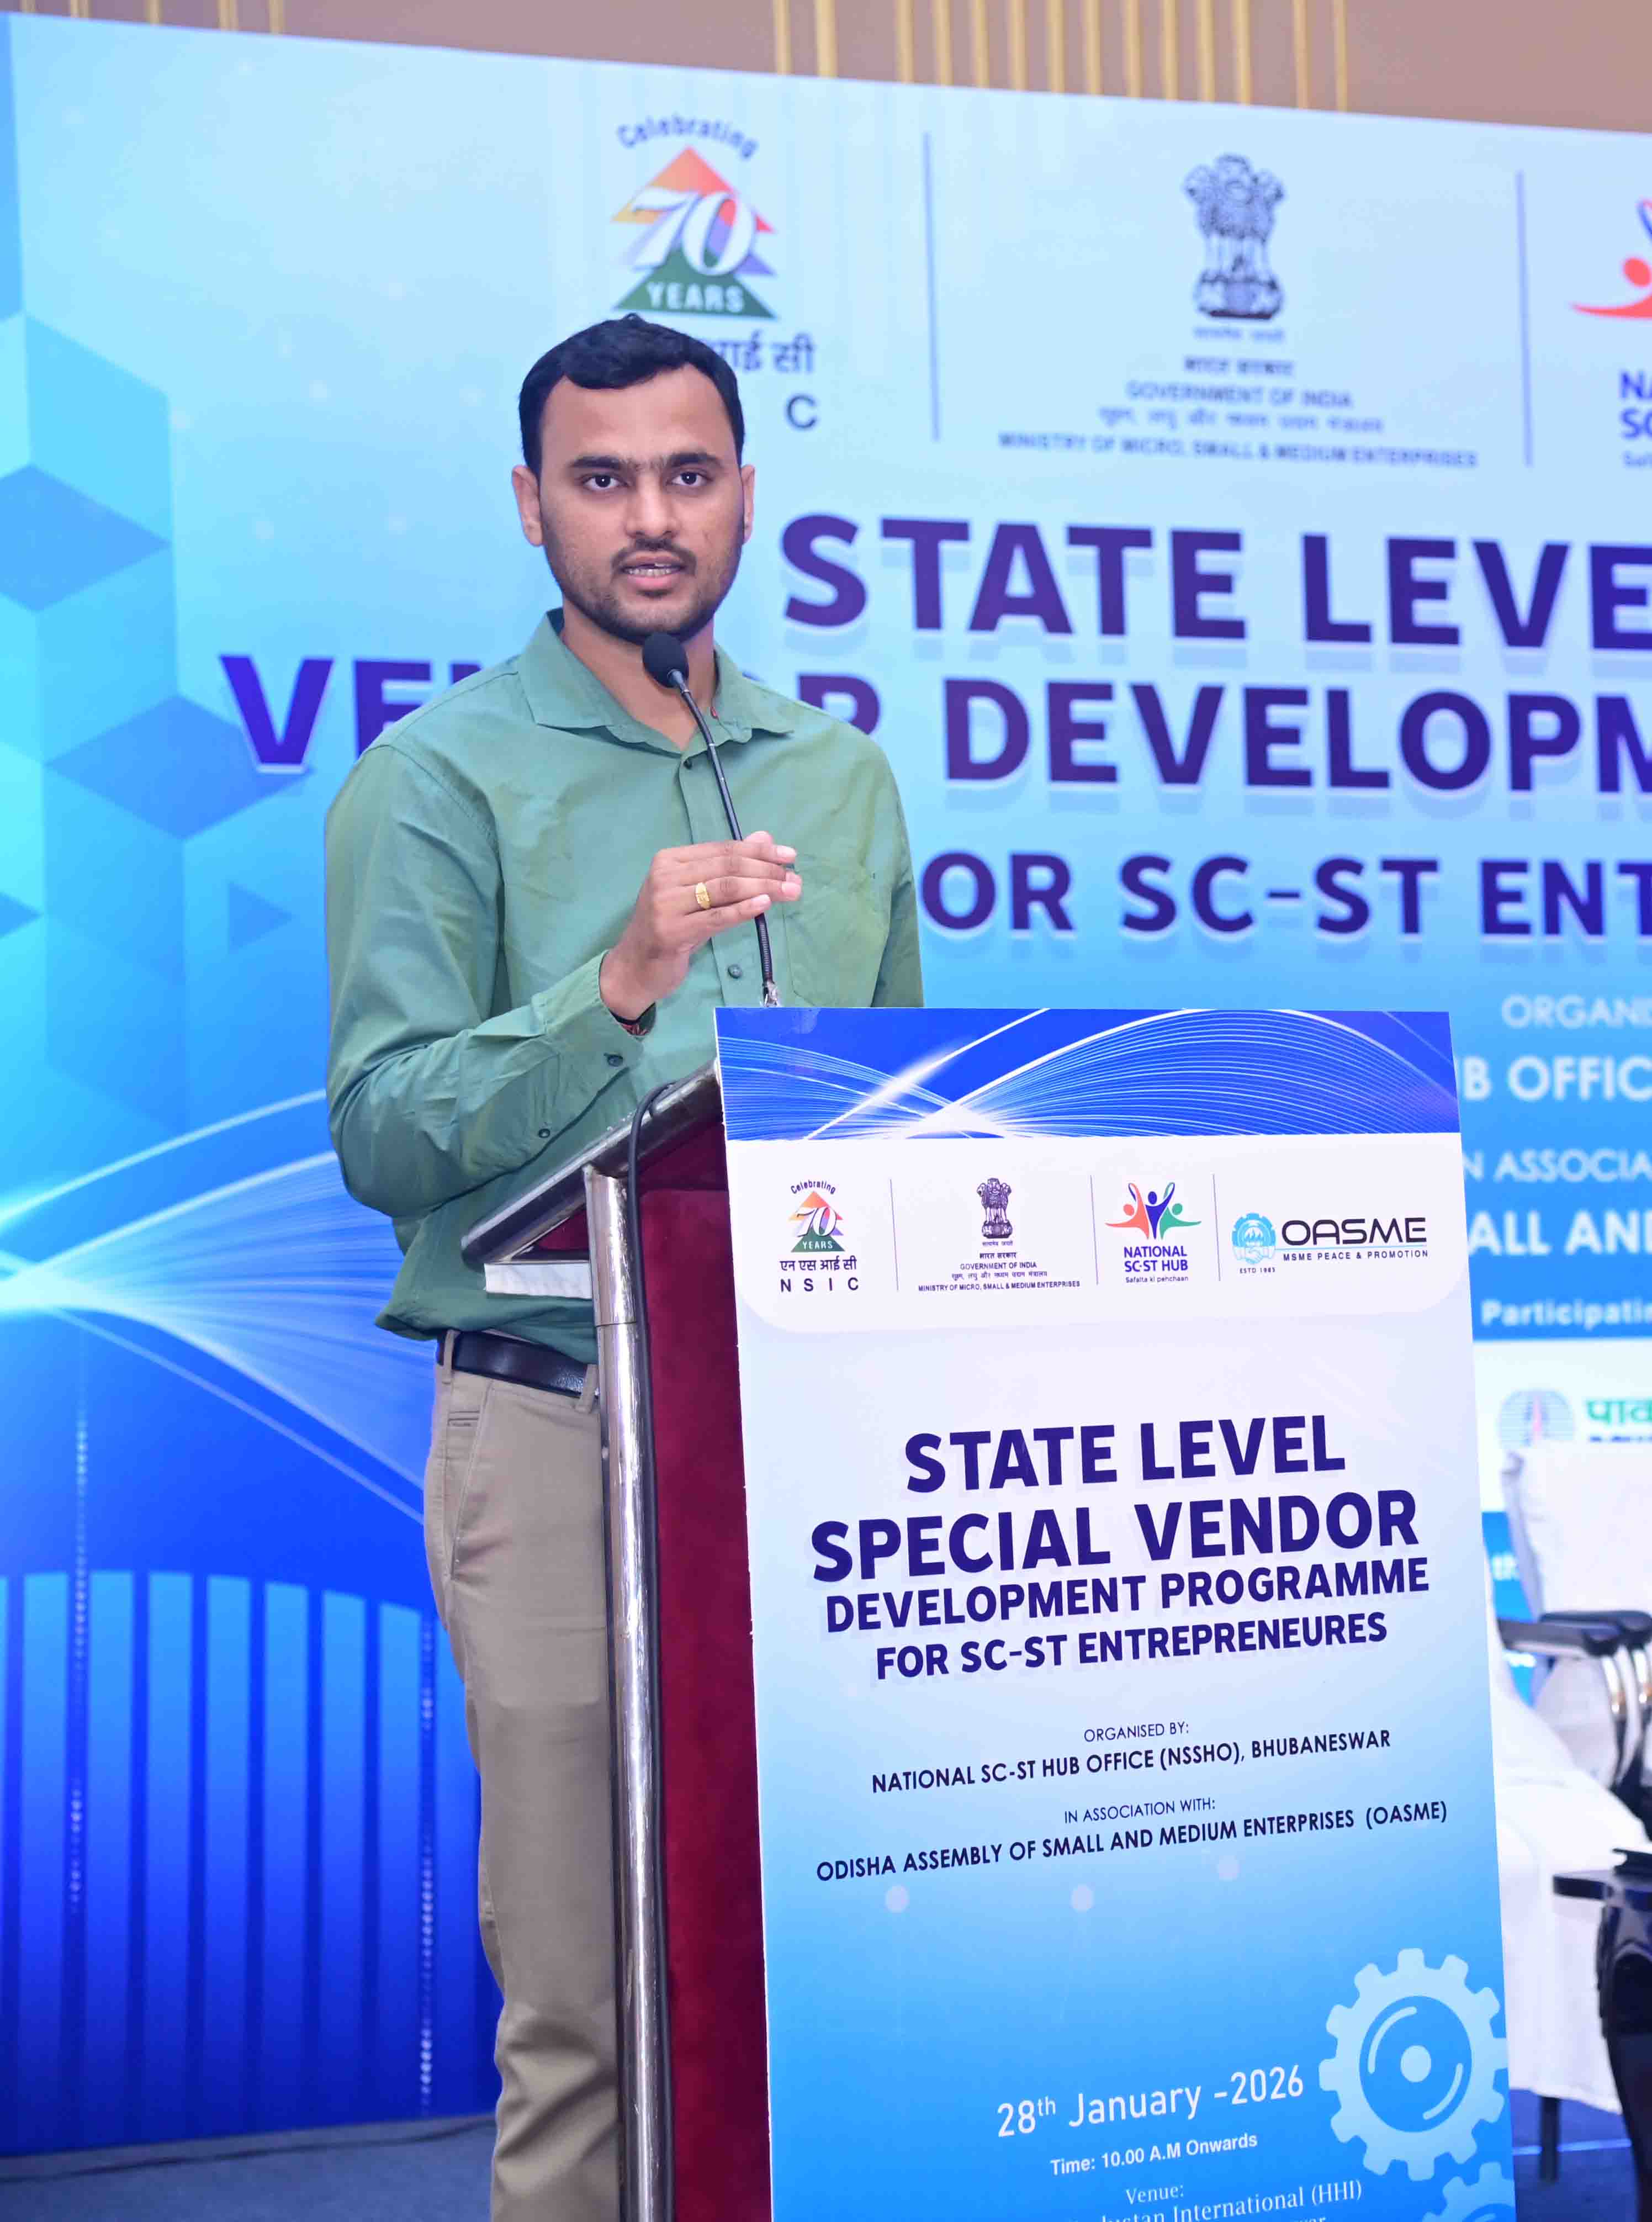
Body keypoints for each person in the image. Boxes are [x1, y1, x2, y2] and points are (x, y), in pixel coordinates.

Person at [325, 315, 921, 2222]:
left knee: (819, 1973)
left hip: (807, 1452)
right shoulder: (438, 778)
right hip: (559, 1433)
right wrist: (620, 984)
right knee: (590, 2005)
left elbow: (887, 1124)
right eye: (602, 480)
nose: (649, 518)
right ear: (532, 506)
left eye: (686, 474)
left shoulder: (839, 778)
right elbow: (387, 1134)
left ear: (745, 494)